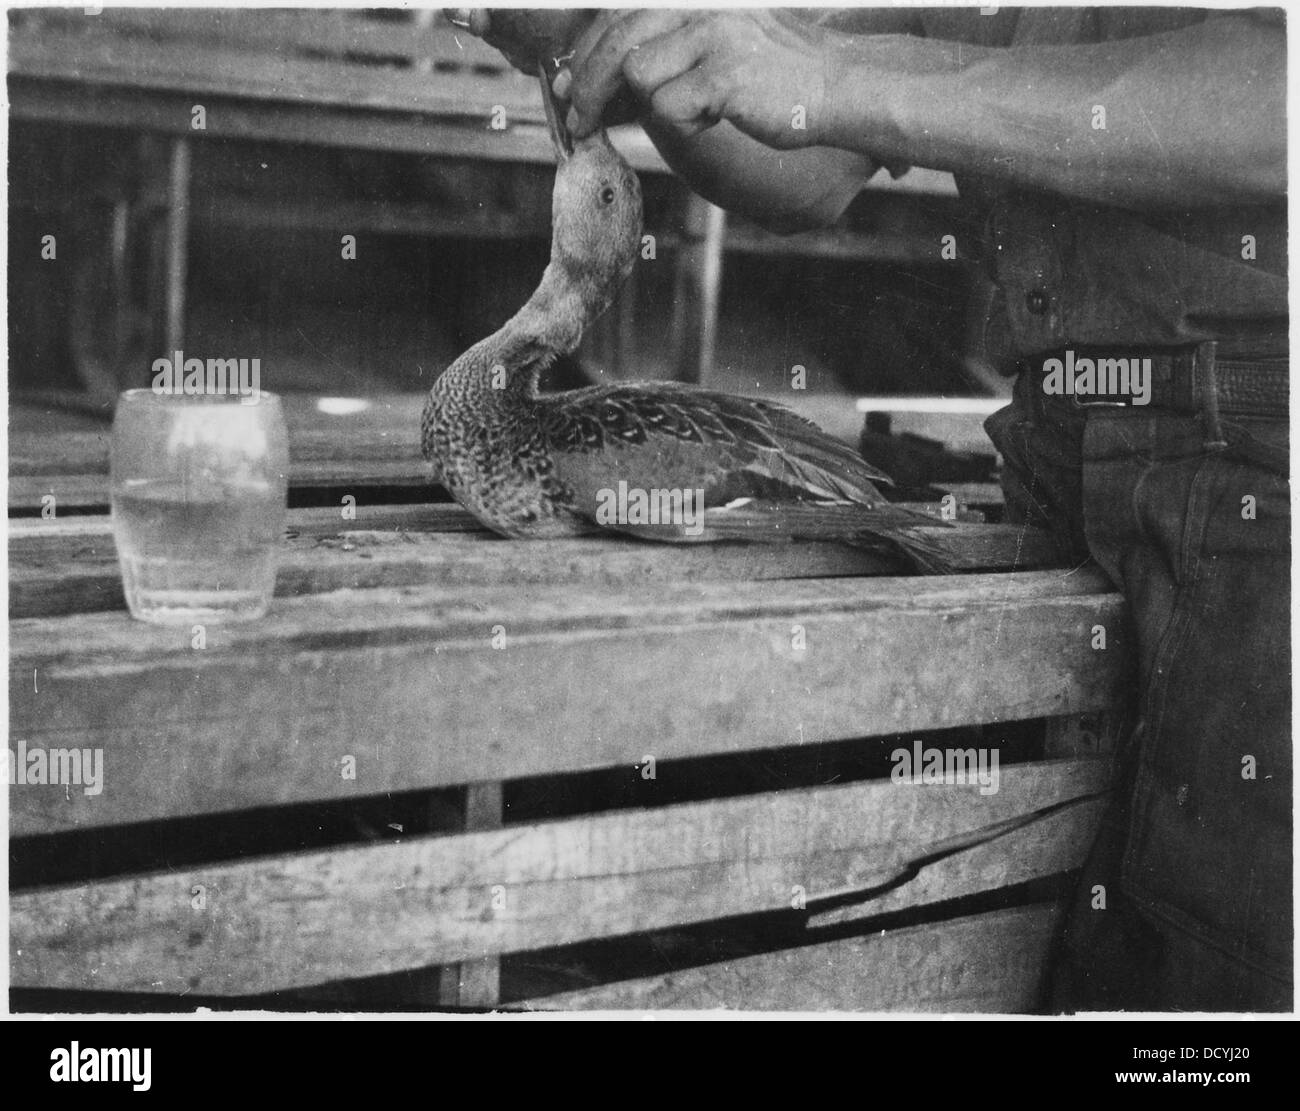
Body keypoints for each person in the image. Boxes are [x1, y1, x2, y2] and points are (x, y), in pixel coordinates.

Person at [457, 7, 1290, 1012]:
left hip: (1259, 476)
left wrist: (839, 71)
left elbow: (1272, 92)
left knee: (1206, 990)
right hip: (1059, 460)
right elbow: (810, 165)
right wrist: (639, 40)